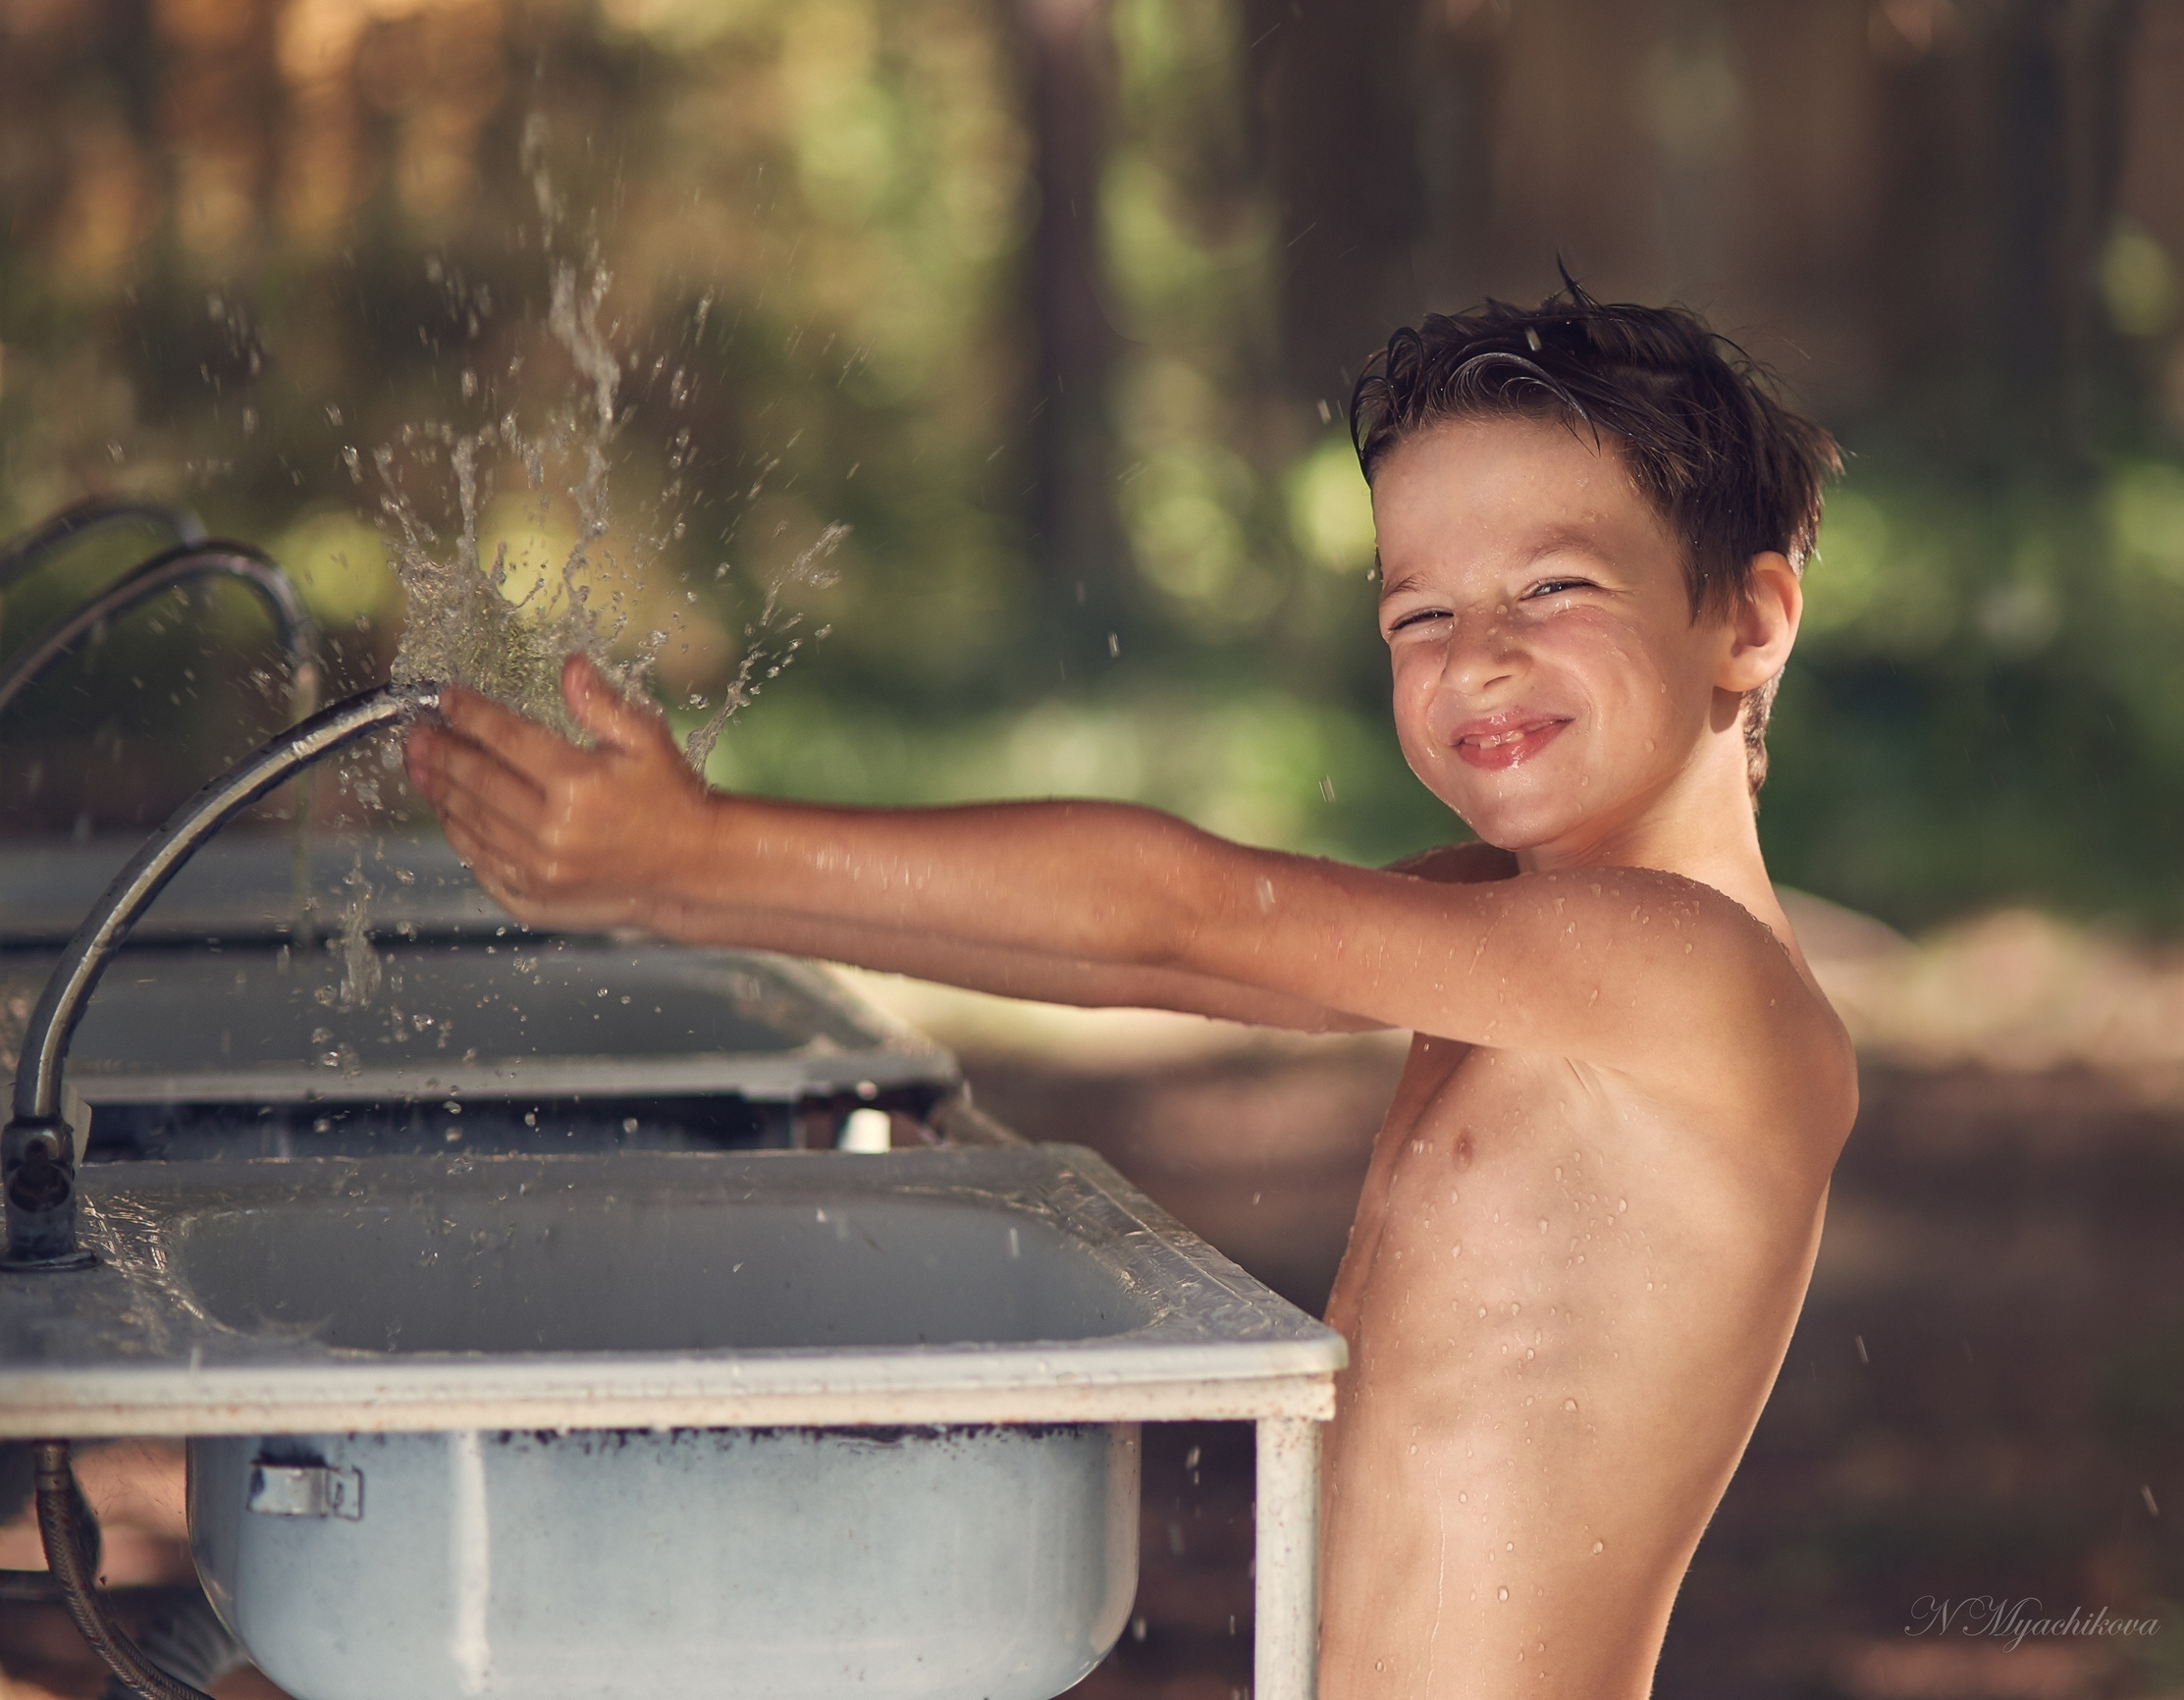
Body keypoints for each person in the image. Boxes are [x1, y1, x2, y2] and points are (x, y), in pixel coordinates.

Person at [407, 281, 1858, 1699]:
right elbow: (1122, 956)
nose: (1477, 658)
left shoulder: (1698, 973)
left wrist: (705, 855)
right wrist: (681, 894)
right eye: (1417, 614)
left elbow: (1192, 922)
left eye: (1556, 586)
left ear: (1751, 619)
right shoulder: (1505, 923)